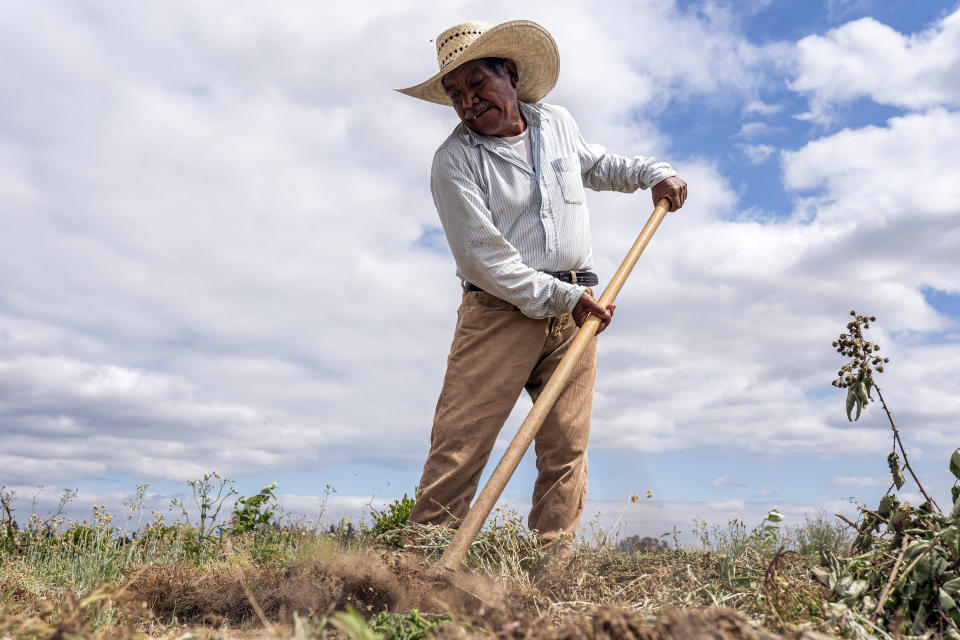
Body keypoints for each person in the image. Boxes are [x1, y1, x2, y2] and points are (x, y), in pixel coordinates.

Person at [396, 20, 686, 554]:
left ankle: (548, 580)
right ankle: (415, 573)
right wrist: (564, 299)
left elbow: (596, 165)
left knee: (566, 448)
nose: (467, 101)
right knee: (461, 446)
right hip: (500, 312)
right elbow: (485, 261)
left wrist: (652, 174)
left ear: (509, 72)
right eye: (455, 93)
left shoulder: (555, 123)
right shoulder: (453, 163)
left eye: (475, 83)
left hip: (579, 308)